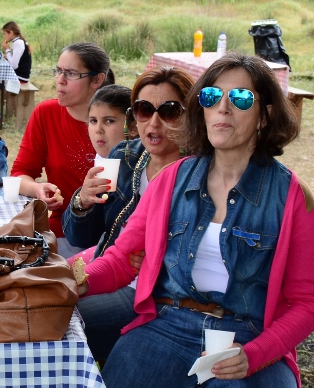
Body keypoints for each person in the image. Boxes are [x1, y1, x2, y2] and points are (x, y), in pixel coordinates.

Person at [80, 53, 313, 387]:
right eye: (211, 96)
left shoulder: (293, 197)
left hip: (248, 337)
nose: (223, 108)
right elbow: (121, 258)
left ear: (265, 116)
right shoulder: (172, 180)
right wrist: (77, 281)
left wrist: (256, 354)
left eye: (241, 98)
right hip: (168, 324)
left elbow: (306, 303)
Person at [64, 68, 194, 362]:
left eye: (170, 111)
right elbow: (82, 237)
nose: (154, 122)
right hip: (107, 265)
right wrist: (82, 203)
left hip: (148, 291)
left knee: (61, 318)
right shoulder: (125, 155)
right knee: (33, 287)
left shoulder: (201, 172)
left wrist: (157, 260)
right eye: (144, 110)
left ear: (190, 116)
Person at [10, 42, 113, 256]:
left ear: (97, 80)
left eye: (71, 73)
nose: (60, 80)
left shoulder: (122, 121)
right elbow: (19, 174)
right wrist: (37, 190)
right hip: (63, 233)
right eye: (58, 71)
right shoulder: (46, 114)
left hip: (112, 239)